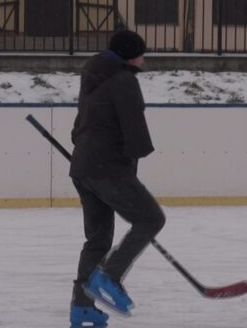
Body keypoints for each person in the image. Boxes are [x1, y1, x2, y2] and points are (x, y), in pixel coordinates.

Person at [68, 30, 166, 327]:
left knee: (97, 240)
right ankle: (110, 276)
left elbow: (80, 126)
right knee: (151, 219)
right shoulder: (124, 81)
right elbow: (135, 132)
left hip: (83, 167)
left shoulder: (94, 75)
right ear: (129, 55)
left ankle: (82, 308)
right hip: (108, 168)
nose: (143, 59)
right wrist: (133, 164)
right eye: (141, 54)